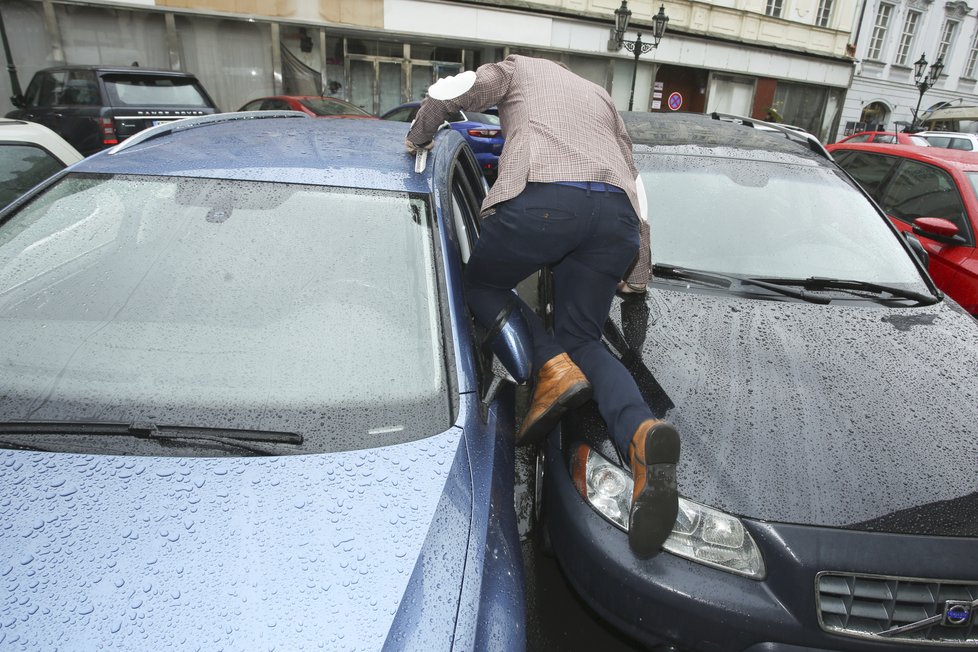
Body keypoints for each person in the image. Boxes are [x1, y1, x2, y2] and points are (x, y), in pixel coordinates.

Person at [405, 55, 680, 559]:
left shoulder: (515, 70)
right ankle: (642, 433)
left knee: (481, 285)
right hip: (613, 221)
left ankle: (549, 365)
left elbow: (453, 92)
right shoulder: (600, 97)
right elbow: (635, 183)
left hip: (544, 204)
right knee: (586, 339)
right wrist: (637, 275)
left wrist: (418, 138)